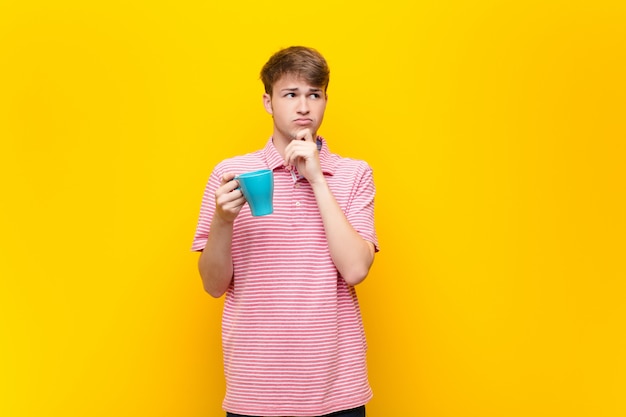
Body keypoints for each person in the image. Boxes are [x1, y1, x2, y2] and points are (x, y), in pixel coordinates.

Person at [192, 46, 379, 417]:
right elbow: (213, 286)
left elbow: (356, 269)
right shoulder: (230, 174)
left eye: (314, 94)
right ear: (268, 101)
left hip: (337, 389)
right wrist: (223, 221)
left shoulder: (354, 174)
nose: (304, 107)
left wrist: (317, 180)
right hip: (254, 388)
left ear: (326, 99)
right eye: (291, 94)